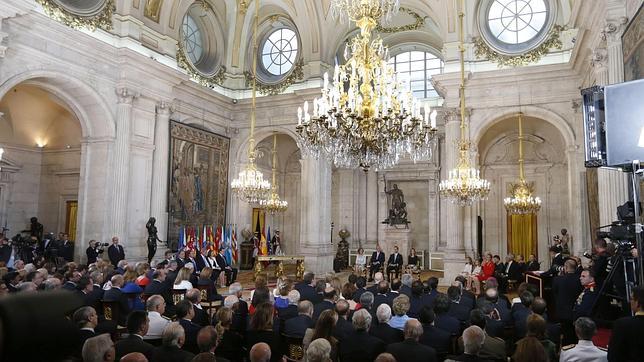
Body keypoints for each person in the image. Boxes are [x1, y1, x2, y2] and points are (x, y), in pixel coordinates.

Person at [607, 286, 644, 362]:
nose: (630, 301)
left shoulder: (622, 325)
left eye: (631, 299)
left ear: (637, 303)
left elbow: (613, 357)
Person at [553, 259, 583, 345]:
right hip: (576, 311)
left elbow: (555, 293)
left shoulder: (557, 279)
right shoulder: (579, 279)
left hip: (562, 312)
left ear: (565, 267)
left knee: (566, 335)